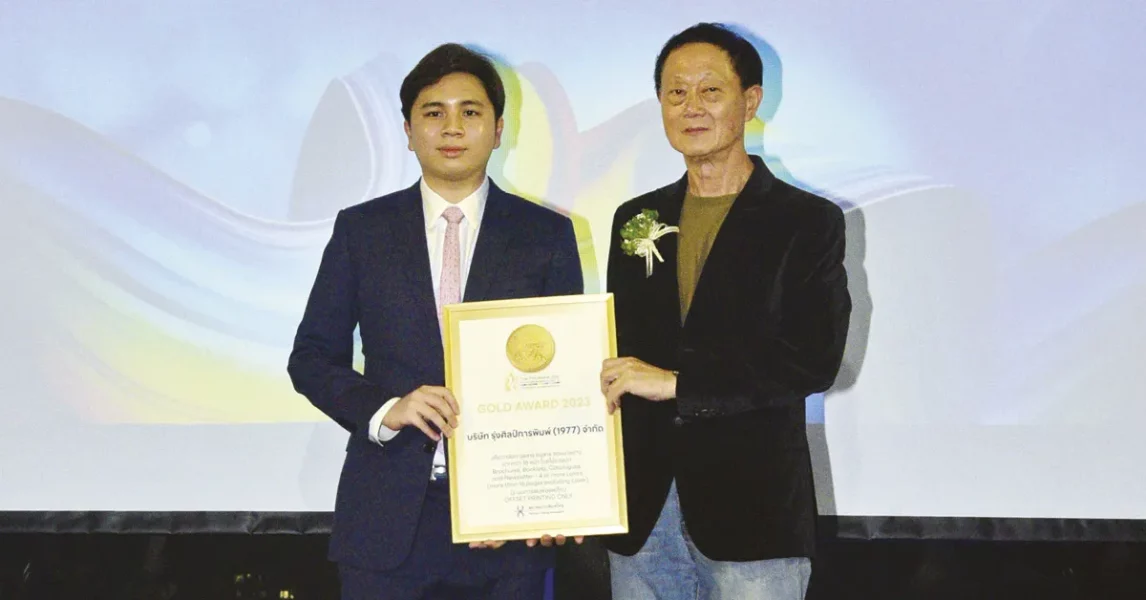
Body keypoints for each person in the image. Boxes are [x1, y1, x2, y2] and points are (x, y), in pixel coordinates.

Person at [287, 43, 583, 599]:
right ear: (407, 130)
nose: (452, 127)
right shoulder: (362, 230)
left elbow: (564, 377)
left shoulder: (544, 235)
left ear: (498, 129)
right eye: (433, 112)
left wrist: (551, 497)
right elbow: (311, 357)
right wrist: (386, 409)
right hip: (386, 518)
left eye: (470, 111)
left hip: (507, 523)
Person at [599, 23, 852, 600]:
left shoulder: (806, 221)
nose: (691, 106)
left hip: (753, 510)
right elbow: (616, 349)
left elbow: (813, 360)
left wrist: (680, 385)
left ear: (751, 101)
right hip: (642, 511)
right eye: (675, 92)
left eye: (710, 90)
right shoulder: (634, 218)